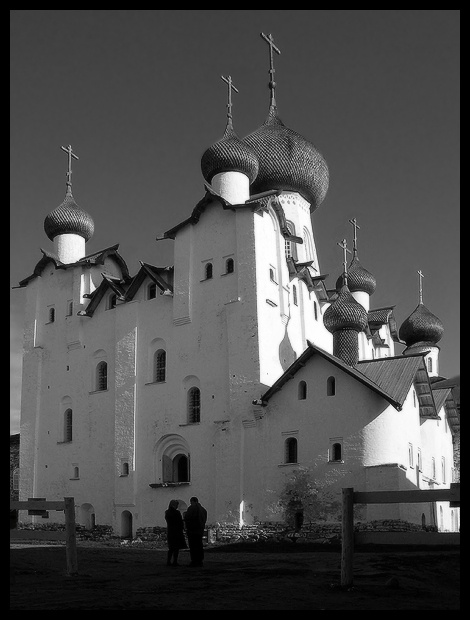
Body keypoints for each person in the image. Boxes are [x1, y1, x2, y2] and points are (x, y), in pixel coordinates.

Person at [183, 496, 207, 567]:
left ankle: (194, 560)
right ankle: (200, 560)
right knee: (199, 545)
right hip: (200, 530)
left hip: (192, 530)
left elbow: (187, 518)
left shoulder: (191, 508)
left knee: (193, 546)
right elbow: (204, 520)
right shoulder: (203, 510)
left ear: (192, 501)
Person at [164, 499, 187, 566]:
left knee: (171, 548)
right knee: (176, 548)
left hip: (170, 531)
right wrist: (183, 528)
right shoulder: (177, 513)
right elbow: (180, 522)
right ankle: (175, 561)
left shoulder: (167, 512)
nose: (177, 506)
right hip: (177, 531)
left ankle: (168, 561)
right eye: (177, 505)